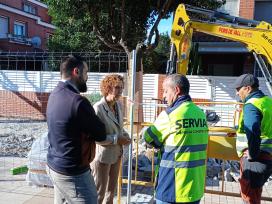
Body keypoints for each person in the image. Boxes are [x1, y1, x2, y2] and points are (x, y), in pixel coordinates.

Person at [46, 55, 107, 204]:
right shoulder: (78, 101)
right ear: (76, 72)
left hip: (54, 165)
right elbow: (100, 134)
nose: (87, 77)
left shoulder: (54, 94)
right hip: (73, 173)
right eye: (86, 73)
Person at [144, 74, 209, 204]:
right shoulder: (200, 114)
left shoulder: (170, 115)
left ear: (177, 90)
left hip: (172, 188)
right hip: (195, 187)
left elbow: (148, 138)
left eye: (166, 91)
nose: (163, 95)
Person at [91, 74, 131, 204]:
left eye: (121, 88)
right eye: (117, 88)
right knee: (99, 193)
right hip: (103, 157)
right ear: (108, 88)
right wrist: (116, 139)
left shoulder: (118, 106)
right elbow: (95, 137)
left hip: (117, 155)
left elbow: (118, 128)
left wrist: (126, 136)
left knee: (111, 193)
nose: (120, 91)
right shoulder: (98, 108)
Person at [234, 73, 272, 204]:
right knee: (256, 195)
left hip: (255, 158)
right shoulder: (268, 101)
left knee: (249, 198)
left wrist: (253, 154)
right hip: (267, 157)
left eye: (238, 89)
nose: (237, 93)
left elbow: (253, 129)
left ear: (248, 88)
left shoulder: (251, 105)